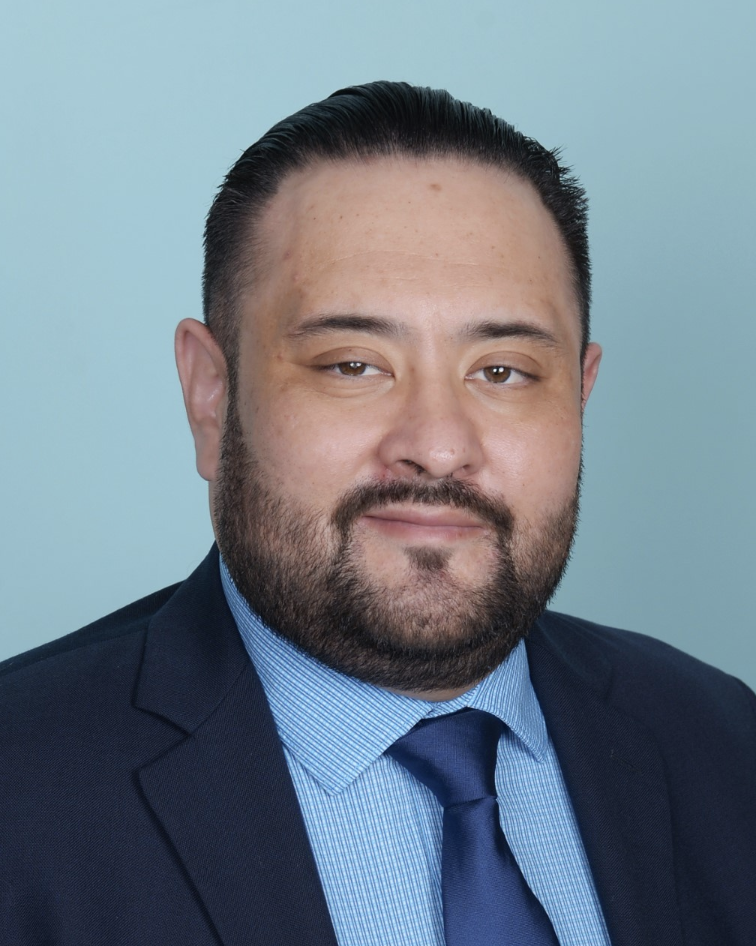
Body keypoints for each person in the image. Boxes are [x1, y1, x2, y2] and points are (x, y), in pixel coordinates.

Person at [1, 81, 754, 946]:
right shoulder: (18, 793)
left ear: (580, 398)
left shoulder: (724, 745)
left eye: (503, 370)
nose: (437, 445)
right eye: (353, 365)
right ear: (212, 398)